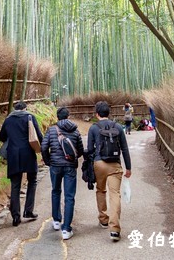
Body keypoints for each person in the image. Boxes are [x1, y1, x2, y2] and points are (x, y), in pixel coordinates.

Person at [87, 101, 132, 242]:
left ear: (96, 114)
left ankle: (103, 219)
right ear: (109, 113)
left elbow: (89, 150)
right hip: (114, 165)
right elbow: (124, 149)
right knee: (115, 195)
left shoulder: (93, 128)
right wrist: (128, 167)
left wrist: (90, 168)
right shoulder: (118, 127)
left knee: (101, 190)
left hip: (99, 164)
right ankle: (114, 229)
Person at [41, 106, 84, 240]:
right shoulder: (75, 131)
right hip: (70, 166)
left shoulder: (52, 130)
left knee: (55, 191)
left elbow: (43, 147)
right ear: (68, 116)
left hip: (55, 165)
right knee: (69, 196)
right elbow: (80, 150)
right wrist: (73, 158)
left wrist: (49, 161)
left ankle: (56, 221)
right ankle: (66, 229)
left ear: (57, 117)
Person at [0, 100, 44, 226]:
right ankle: (28, 211)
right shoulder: (30, 117)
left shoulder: (8, 120)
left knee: (15, 185)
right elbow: (38, 135)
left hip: (13, 155)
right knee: (32, 181)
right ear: (25, 108)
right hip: (28, 154)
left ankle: (15, 217)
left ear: (14, 109)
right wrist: (43, 149)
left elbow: (1, 136)